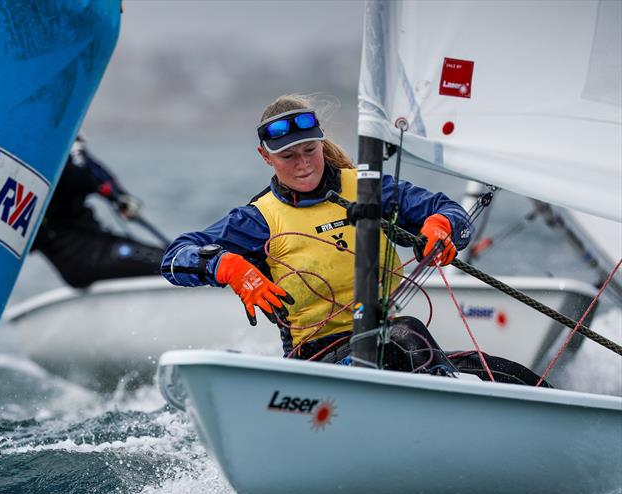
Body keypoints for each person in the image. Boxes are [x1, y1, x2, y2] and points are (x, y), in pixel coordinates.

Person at [161, 94, 548, 386]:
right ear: (266, 157)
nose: (304, 163)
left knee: (511, 374)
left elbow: (452, 212)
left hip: (394, 344)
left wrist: (441, 227)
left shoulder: (368, 186)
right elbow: (173, 259)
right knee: (406, 332)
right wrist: (226, 266)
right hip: (318, 361)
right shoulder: (257, 219)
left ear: (321, 143)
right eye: (288, 156)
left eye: (310, 150)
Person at [32, 137, 164, 288]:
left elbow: (94, 172)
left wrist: (119, 196)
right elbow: (80, 176)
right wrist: (75, 149)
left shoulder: (63, 153)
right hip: (85, 255)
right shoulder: (46, 157)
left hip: (94, 247)